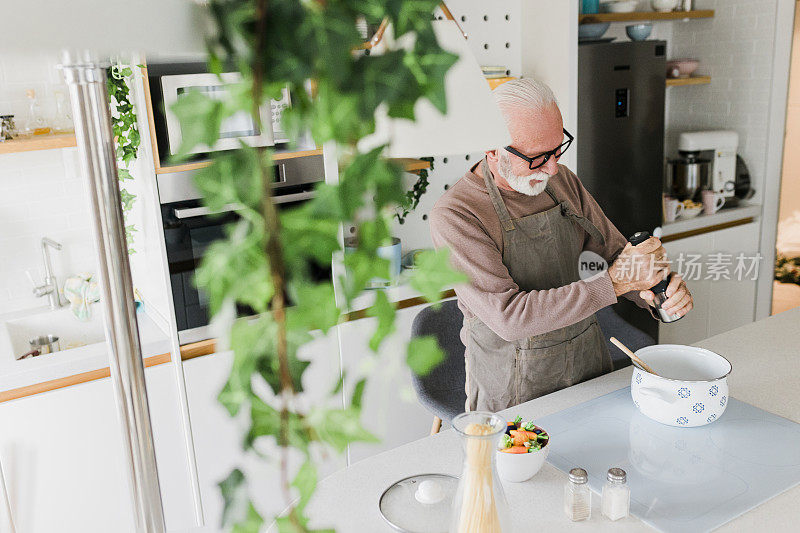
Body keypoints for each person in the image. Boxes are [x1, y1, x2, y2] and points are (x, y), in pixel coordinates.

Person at [429, 79, 693, 412]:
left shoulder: (562, 181)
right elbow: (511, 318)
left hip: (588, 369)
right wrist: (616, 282)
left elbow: (614, 254)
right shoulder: (457, 215)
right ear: (492, 150)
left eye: (558, 149)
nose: (553, 167)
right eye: (537, 158)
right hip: (514, 392)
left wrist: (657, 295)